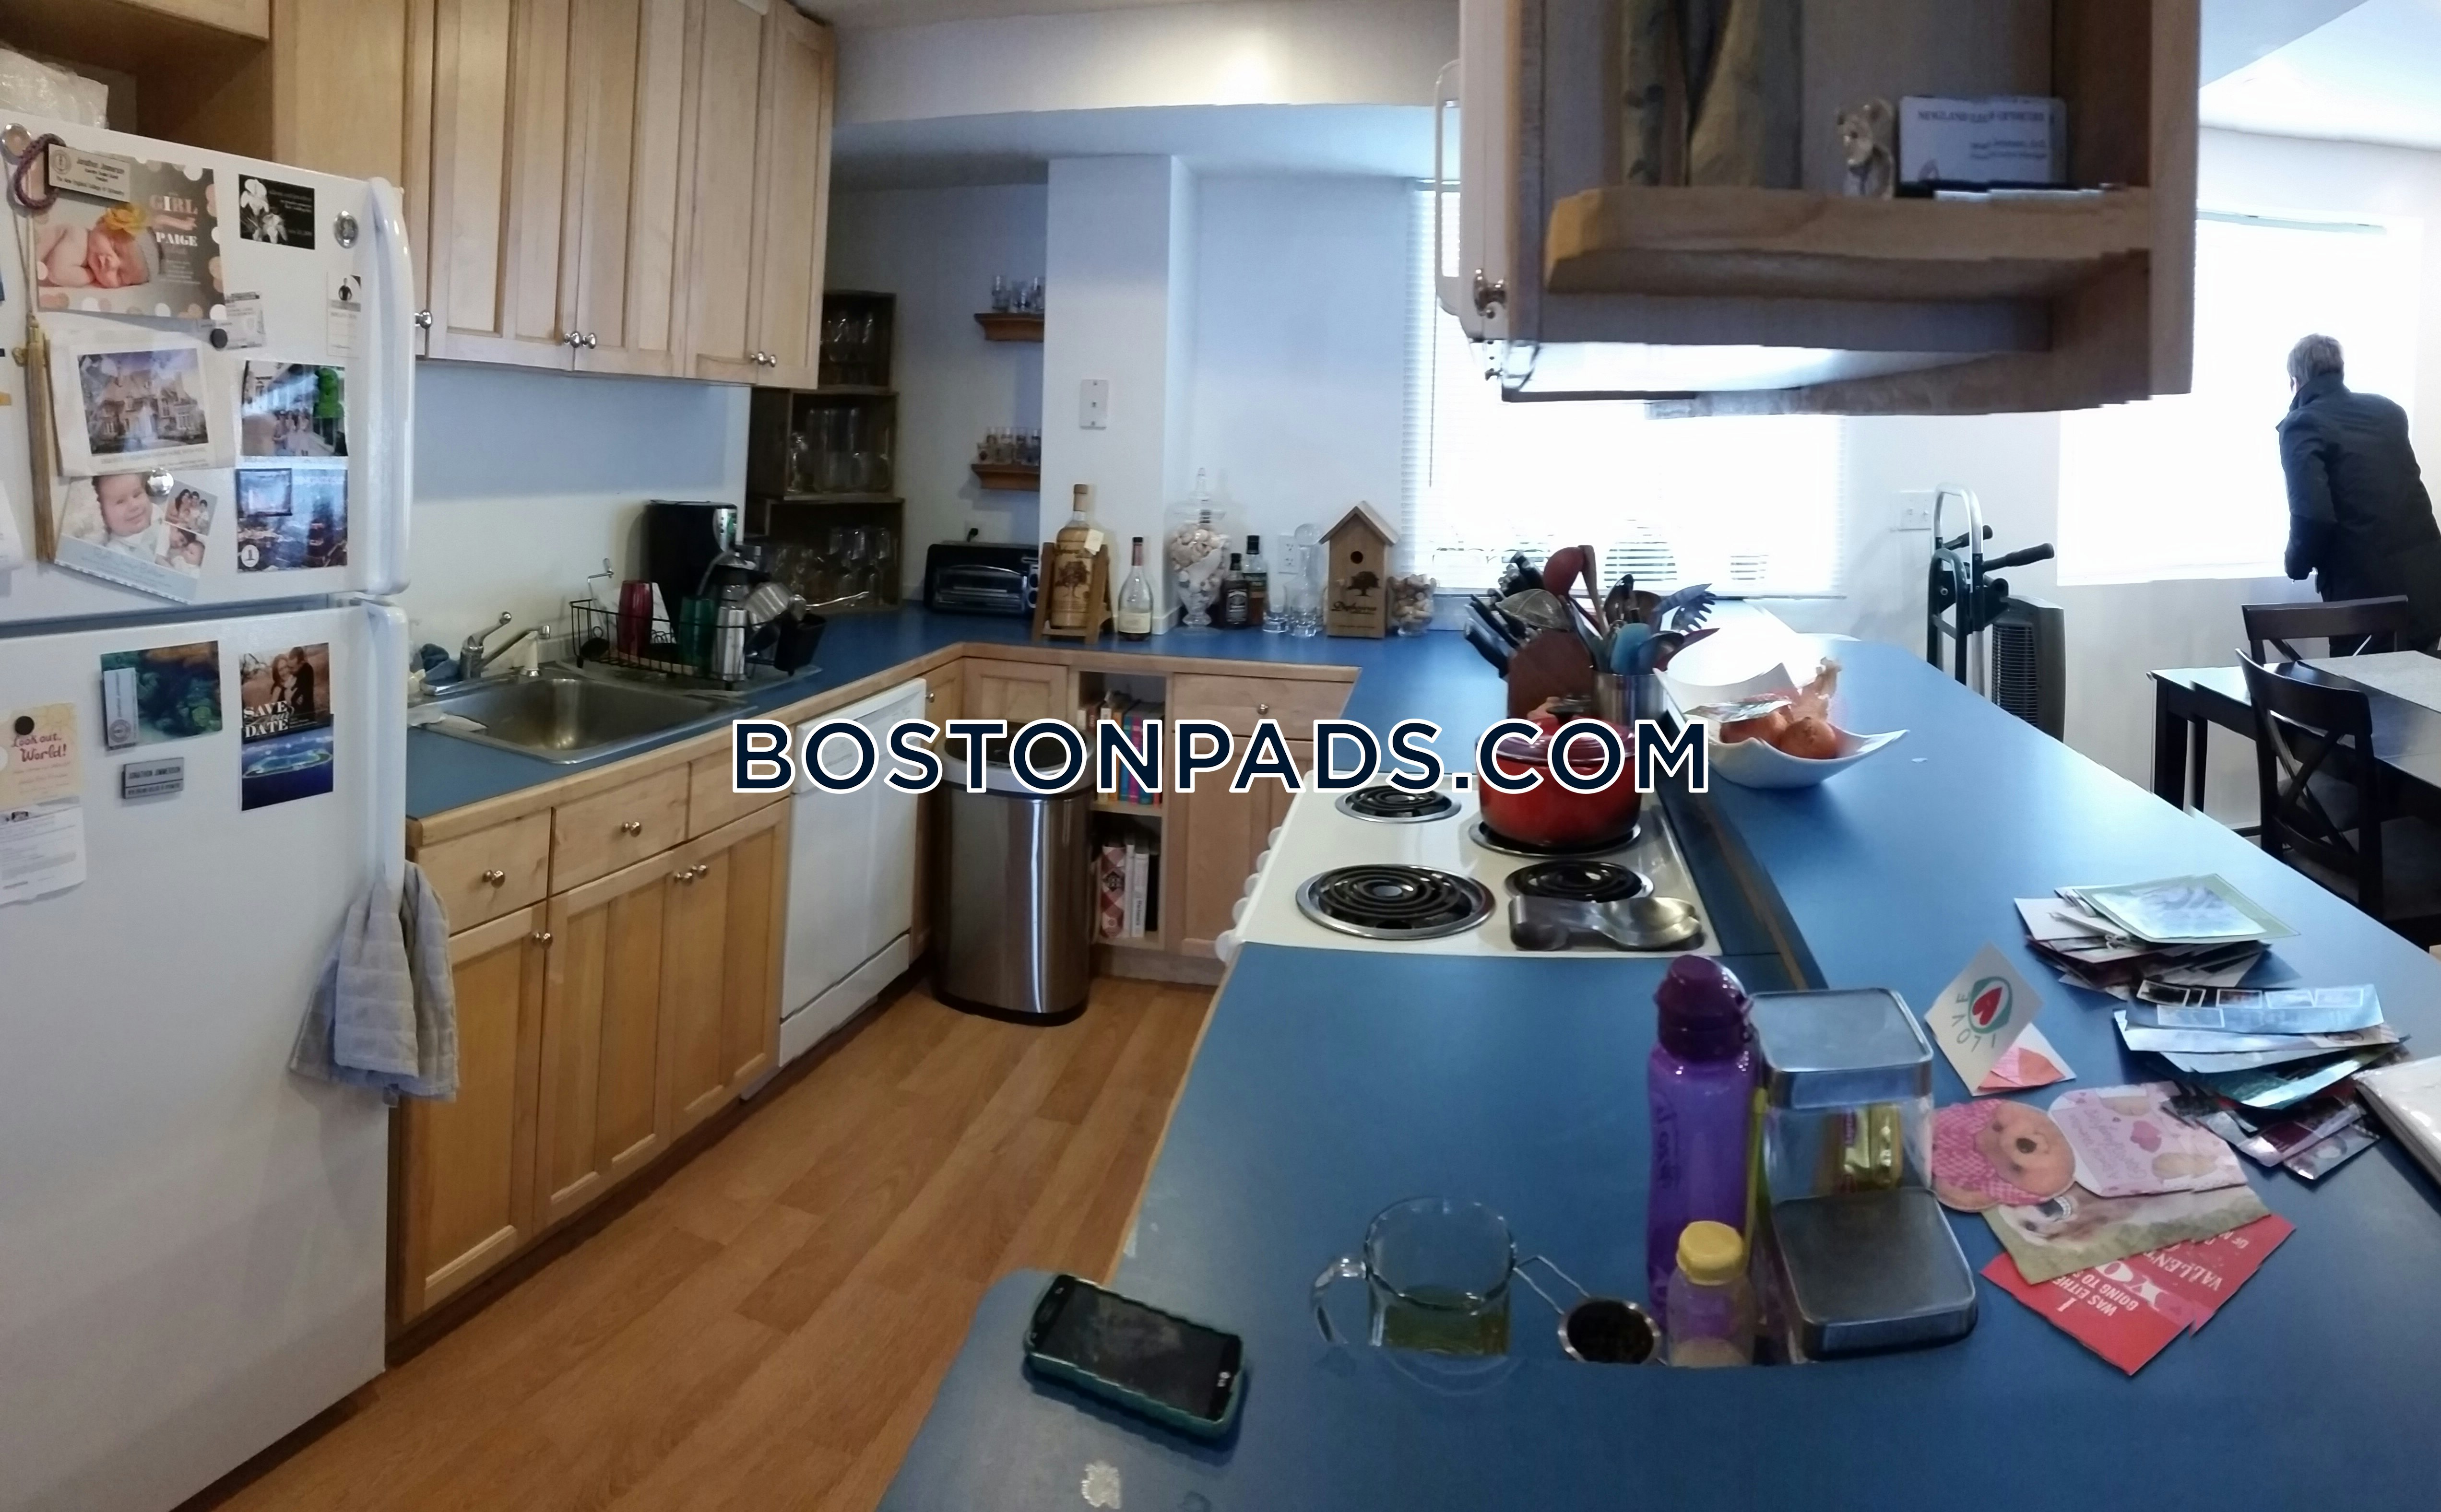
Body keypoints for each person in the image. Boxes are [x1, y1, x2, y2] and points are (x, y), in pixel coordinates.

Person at [2279, 333, 2441, 649]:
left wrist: (2295, 566)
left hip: (2365, 602)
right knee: (2421, 678)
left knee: (2357, 681)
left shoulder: (2302, 424)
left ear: (2295, 382)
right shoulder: (2388, 412)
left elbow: (2313, 516)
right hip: (2427, 589)